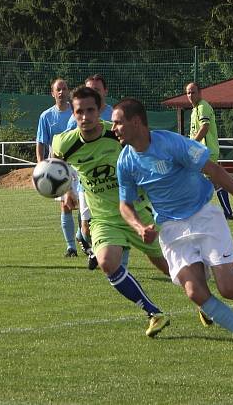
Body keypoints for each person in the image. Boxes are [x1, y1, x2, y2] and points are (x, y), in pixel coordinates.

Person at [112, 97, 233, 360]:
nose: (114, 128)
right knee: (195, 292)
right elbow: (124, 204)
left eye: (118, 123)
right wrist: (139, 226)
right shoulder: (125, 161)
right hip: (171, 230)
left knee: (230, 290)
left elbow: (215, 171)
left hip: (203, 217)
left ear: (136, 122)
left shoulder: (172, 143)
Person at [51, 87, 170, 337]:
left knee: (173, 269)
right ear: (73, 114)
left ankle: (214, 292)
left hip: (137, 213)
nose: (85, 117)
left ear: (100, 109)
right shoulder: (65, 143)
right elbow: (54, 165)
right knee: (106, 262)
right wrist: (66, 192)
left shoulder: (115, 134)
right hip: (104, 218)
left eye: (90, 110)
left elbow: (145, 153)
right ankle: (153, 313)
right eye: (79, 112)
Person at [65, 74, 115, 270]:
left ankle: (110, 258)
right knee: (86, 227)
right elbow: (63, 153)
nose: (92, 93)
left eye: (96, 90)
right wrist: (67, 188)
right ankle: (89, 244)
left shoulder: (114, 115)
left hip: (114, 183)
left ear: (105, 92)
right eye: (89, 89)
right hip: (86, 182)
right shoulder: (74, 121)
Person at [36, 78, 78, 258]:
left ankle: (81, 236)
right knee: (65, 205)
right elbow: (41, 142)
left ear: (69, 91)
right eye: (58, 89)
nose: (61, 92)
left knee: (86, 204)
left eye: (64, 89)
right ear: (52, 93)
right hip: (59, 166)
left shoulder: (76, 112)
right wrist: (41, 164)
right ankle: (71, 248)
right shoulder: (46, 116)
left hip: (79, 163)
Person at [186, 82, 233, 220]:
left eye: (193, 92)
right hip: (201, 151)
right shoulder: (195, 109)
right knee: (214, 181)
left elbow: (204, 127)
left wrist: (191, 144)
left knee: (191, 177)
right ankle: (227, 212)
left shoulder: (202, 106)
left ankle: (195, 211)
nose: (190, 95)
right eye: (188, 92)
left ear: (200, 93)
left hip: (205, 151)